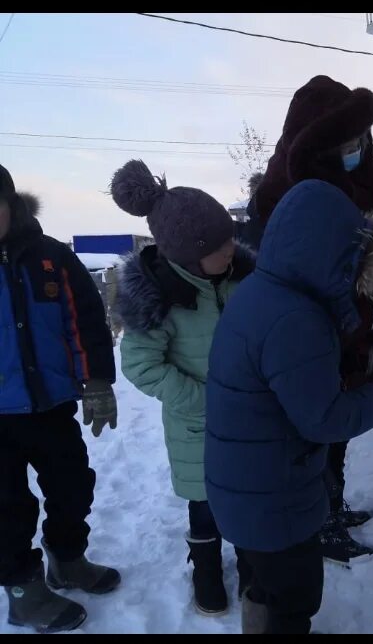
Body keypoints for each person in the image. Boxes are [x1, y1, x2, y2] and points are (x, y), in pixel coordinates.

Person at [205, 178, 373, 634]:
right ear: (333, 254)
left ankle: (258, 622)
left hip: (247, 487)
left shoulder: (262, 293)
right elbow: (324, 419)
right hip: (274, 500)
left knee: (267, 583)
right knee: (296, 599)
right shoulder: (296, 319)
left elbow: (290, 385)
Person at [251, 75, 373, 564]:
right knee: (317, 430)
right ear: (318, 141)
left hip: (352, 327)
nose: (357, 150)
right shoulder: (286, 191)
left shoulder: (350, 169)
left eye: (361, 139)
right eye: (347, 141)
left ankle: (332, 506)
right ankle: (321, 521)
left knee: (337, 433)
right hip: (314, 333)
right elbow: (321, 255)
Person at [111, 160, 255, 616]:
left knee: (251, 497)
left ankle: (253, 566)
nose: (231, 248)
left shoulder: (244, 280)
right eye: (219, 245)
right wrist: (201, 400)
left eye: (231, 238)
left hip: (251, 418)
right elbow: (140, 364)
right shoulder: (161, 298)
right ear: (191, 254)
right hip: (198, 426)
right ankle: (207, 570)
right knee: (206, 505)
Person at [0, 163, 120, 633]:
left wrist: (96, 382)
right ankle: (23, 591)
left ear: (10, 205)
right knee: (7, 509)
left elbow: (86, 322)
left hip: (52, 408)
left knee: (73, 488)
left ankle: (68, 560)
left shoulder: (52, 258)